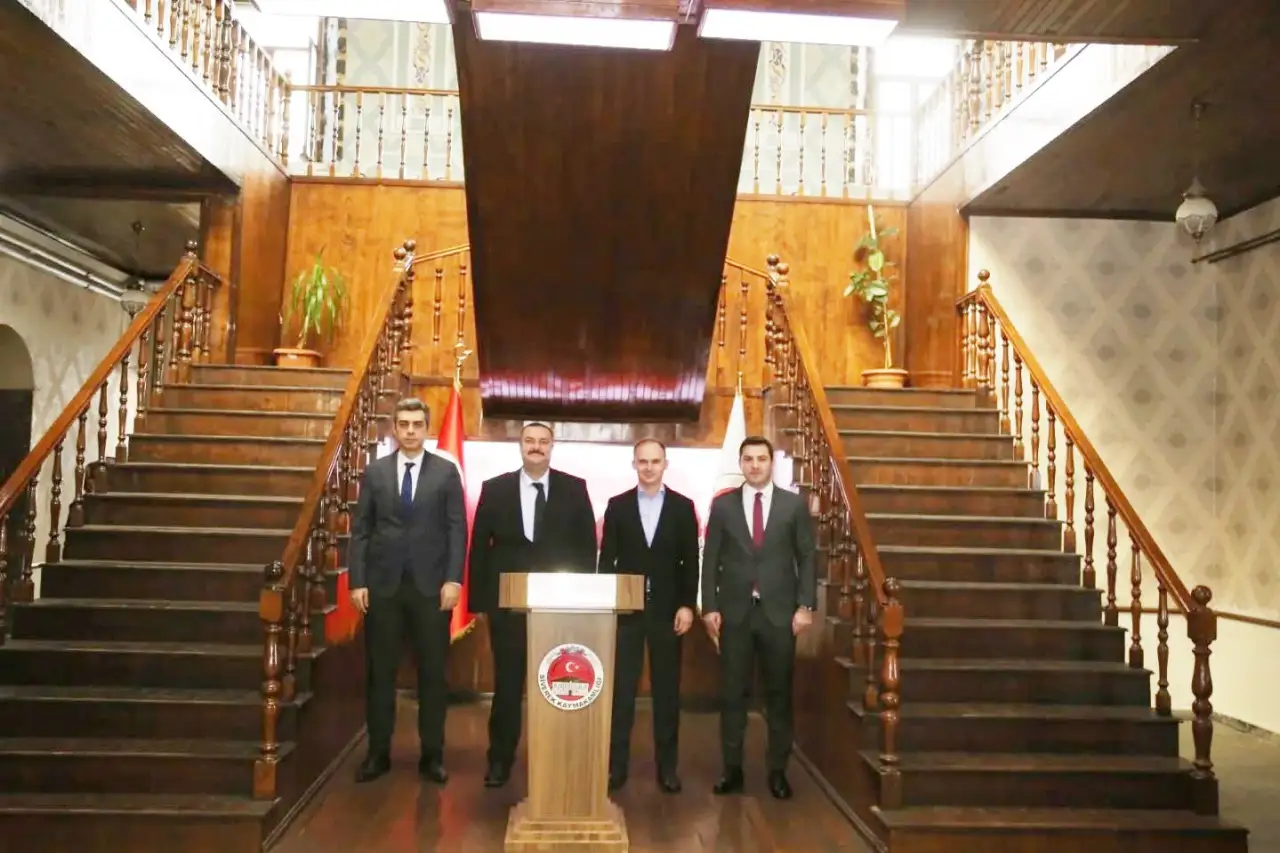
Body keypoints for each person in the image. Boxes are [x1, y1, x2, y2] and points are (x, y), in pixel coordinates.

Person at [468, 421, 598, 788]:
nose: (536, 447)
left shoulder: (575, 488)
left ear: (552, 447)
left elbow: (587, 547)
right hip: (507, 605)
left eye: (543, 441)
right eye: (530, 441)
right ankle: (500, 761)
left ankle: (557, 761)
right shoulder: (494, 489)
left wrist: (582, 599)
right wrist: (479, 602)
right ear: (520, 445)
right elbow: (479, 548)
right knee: (508, 685)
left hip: (560, 606)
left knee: (559, 682)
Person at [347, 397, 467, 785]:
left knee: (432, 675)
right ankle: (377, 754)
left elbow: (457, 530)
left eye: (417, 424)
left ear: (427, 428)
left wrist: (454, 580)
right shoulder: (376, 472)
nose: (410, 430)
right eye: (404, 424)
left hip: (432, 589)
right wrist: (357, 581)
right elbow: (361, 530)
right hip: (382, 588)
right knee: (380, 674)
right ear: (394, 428)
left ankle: (432, 756)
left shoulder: (446, 472)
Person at [700, 435, 816, 800]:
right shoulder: (723, 506)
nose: (754, 465)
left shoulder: (793, 506)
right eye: (748, 459)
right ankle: (732, 770)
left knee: (779, 695)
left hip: (779, 616)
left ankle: (777, 772)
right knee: (732, 695)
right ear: (741, 463)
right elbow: (710, 558)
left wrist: (806, 605)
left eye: (761, 459)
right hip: (734, 614)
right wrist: (709, 606)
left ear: (770, 463)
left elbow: (808, 556)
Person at [598, 438, 699, 794]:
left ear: (665, 464)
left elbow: (691, 561)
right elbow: (606, 561)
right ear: (634, 464)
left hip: (668, 613)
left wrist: (687, 605)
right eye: (643, 461)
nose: (649, 467)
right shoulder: (618, 505)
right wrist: (608, 605)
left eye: (655, 461)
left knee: (667, 694)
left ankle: (667, 769)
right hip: (626, 612)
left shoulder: (683, 508)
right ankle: (616, 768)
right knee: (621, 693)